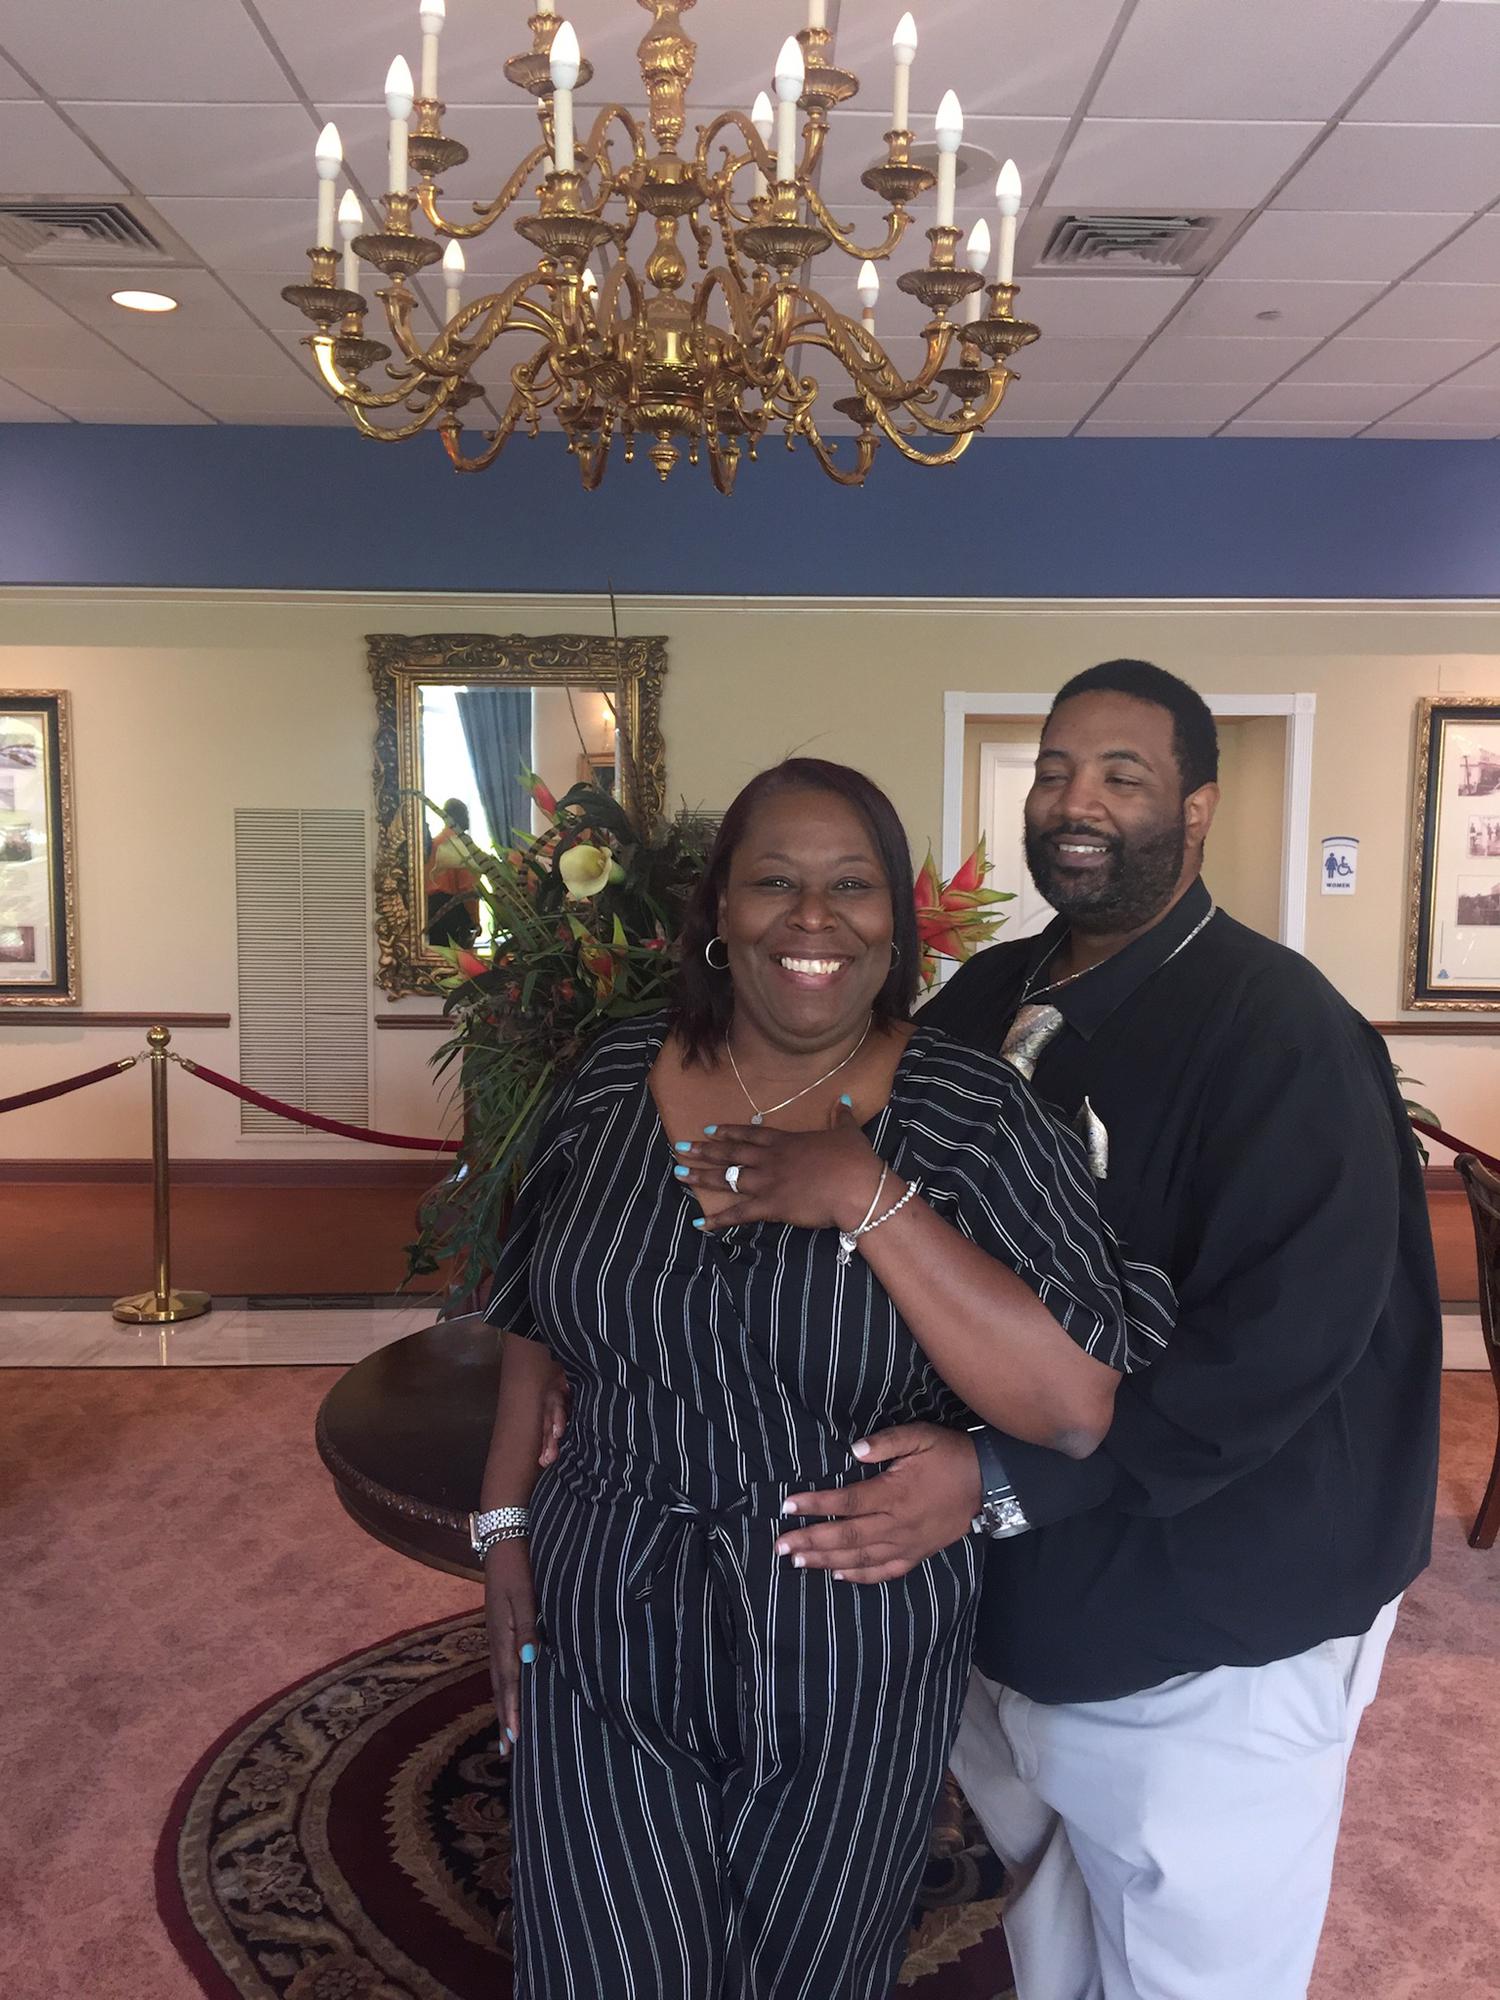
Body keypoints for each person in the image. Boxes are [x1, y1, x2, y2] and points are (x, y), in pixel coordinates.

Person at [776, 662, 1443, 2000]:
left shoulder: (1285, 1036)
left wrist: (999, 1479)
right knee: (1058, 1935)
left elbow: (1275, 1356)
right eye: (1056, 771)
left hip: (1213, 1621)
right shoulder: (985, 1001)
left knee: (1195, 1960)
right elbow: (891, 1228)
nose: (1076, 802)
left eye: (1122, 776)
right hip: (1022, 1609)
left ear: (1196, 809)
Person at [473, 757, 1174, 2000]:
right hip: (603, 1592)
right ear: (718, 911)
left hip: (847, 1618)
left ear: (896, 921)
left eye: (851, 884)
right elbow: (534, 1301)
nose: (812, 916)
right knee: (599, 1959)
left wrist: (865, 1192)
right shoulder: (614, 1073)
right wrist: (503, 1523)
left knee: (808, 1968)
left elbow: (1075, 1404)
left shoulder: (971, 1112)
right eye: (774, 882)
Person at [424, 795, 483, 947]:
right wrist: (475, 920)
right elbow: (467, 888)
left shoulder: (434, 843)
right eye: (466, 814)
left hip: (431, 910)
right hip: (454, 910)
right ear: (460, 816)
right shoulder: (461, 845)